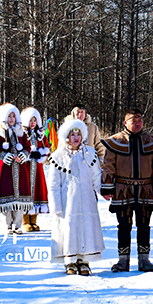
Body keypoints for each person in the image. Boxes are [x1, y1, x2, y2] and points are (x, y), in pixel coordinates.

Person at [101, 108, 153, 272]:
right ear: (125, 122)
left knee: (144, 225)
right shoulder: (115, 141)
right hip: (122, 190)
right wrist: (107, 187)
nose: (137, 123)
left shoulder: (151, 141)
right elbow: (108, 166)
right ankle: (123, 261)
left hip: (145, 190)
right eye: (133, 121)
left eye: (140, 121)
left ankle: (145, 260)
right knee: (123, 226)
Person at [46, 117, 104, 275]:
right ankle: (70, 261)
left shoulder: (90, 153)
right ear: (66, 136)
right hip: (67, 202)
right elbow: (53, 184)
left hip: (87, 201)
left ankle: (84, 260)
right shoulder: (58, 157)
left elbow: (96, 177)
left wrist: (105, 192)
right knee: (69, 229)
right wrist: (56, 205)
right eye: (73, 134)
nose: (76, 138)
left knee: (86, 228)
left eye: (79, 134)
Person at [0, 103, 33, 234]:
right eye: (9, 116)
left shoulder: (21, 132)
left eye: (13, 116)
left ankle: (18, 224)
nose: (11, 119)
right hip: (6, 169)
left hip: (20, 169)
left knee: (20, 198)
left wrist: (23, 155)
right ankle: (9, 224)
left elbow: (27, 147)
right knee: (7, 196)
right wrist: (6, 156)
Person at [21, 107, 52, 232]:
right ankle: (25, 220)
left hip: (37, 168)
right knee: (26, 191)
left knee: (37, 191)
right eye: (30, 120)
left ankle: (33, 221)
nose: (32, 123)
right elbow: (19, 148)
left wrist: (41, 154)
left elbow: (46, 147)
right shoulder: (22, 134)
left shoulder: (40, 134)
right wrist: (29, 155)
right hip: (26, 168)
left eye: (34, 120)